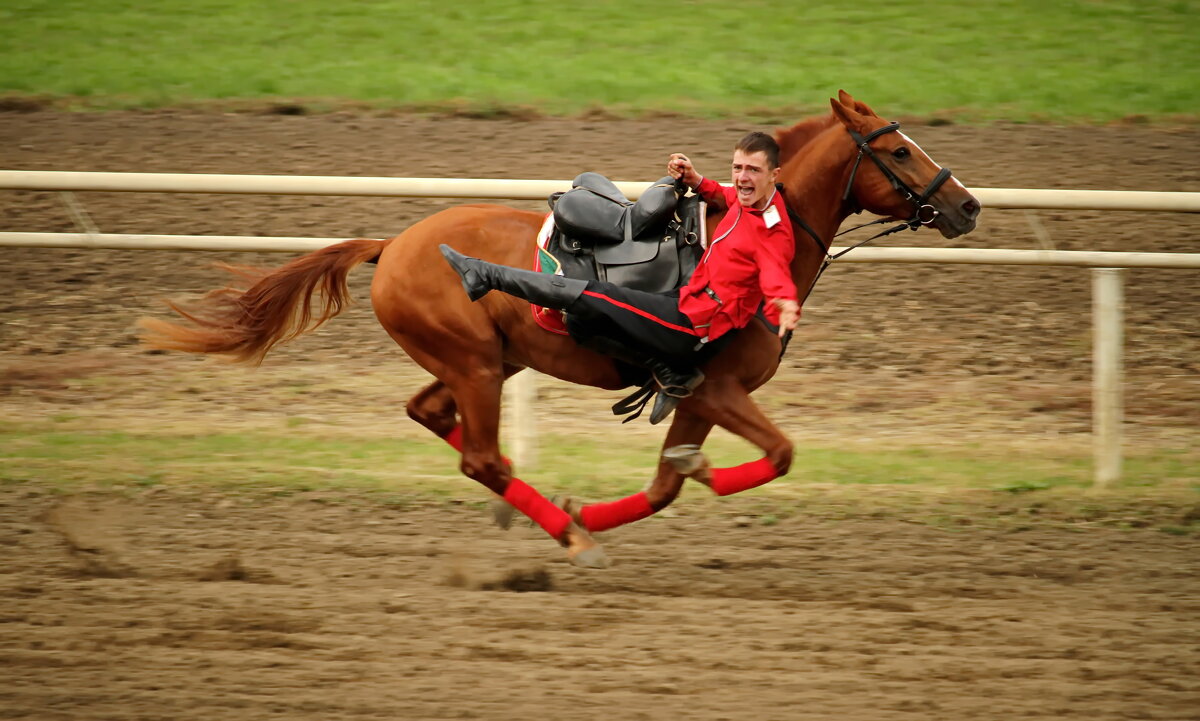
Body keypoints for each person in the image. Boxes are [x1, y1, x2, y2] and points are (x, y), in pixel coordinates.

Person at [439, 131, 801, 423]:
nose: (741, 177)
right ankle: (667, 370)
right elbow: (723, 194)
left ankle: (485, 274)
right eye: (737, 167)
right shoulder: (751, 198)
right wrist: (697, 179)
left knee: (592, 296)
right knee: (581, 324)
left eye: (752, 170)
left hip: (692, 326)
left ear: (774, 175)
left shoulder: (772, 230)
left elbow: (775, 270)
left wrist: (784, 302)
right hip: (687, 300)